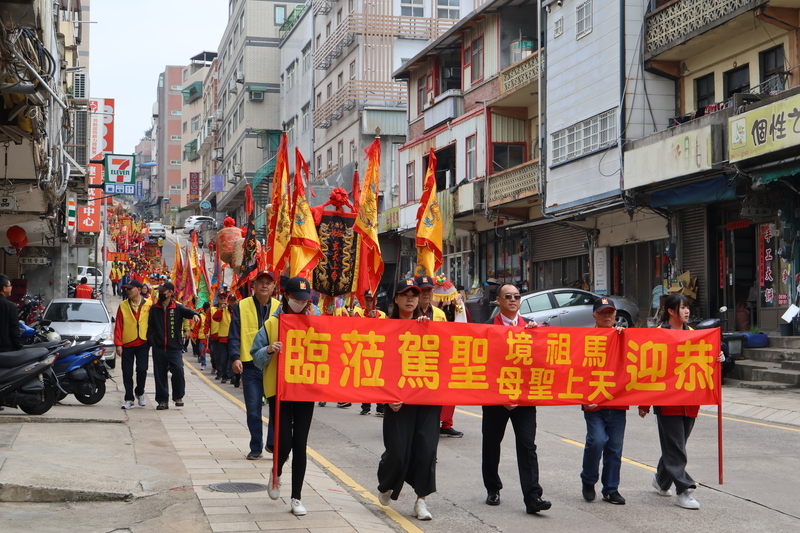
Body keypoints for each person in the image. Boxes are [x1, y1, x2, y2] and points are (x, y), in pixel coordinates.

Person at [639, 293, 726, 510]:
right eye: (683, 307)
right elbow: (648, 370)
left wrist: (719, 358)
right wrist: (644, 402)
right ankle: (684, 489)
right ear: (670, 311)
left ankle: (661, 479)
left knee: (676, 445)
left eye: (688, 307)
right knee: (676, 446)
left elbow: (706, 361)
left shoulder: (696, 335)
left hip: (691, 400)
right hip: (667, 401)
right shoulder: (658, 335)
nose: (687, 311)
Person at [482, 283, 551, 514]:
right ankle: (493, 488)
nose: (513, 299)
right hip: (495, 398)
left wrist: (537, 336)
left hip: (524, 399)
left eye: (516, 296)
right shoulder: (487, 328)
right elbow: (483, 365)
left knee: (527, 445)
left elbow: (542, 361)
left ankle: (533, 497)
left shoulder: (531, 327)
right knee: (492, 444)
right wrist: (499, 394)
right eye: (508, 296)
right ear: (499, 301)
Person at [251, 276, 317, 517]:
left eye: (306, 300)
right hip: (280, 392)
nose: (302, 303)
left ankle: (296, 497)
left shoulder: (314, 320)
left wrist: (313, 319)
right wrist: (268, 350)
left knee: (300, 444)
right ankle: (276, 471)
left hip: (305, 389)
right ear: (287, 297)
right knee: (284, 442)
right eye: (298, 300)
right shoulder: (271, 324)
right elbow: (255, 357)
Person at [376, 278, 441, 521]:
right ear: (396, 299)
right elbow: (376, 366)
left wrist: (427, 329)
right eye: (405, 294)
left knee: (426, 450)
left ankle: (421, 500)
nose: (411, 299)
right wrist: (387, 396)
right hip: (397, 400)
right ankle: (386, 484)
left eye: (415, 294)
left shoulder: (428, 325)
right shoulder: (385, 328)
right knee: (398, 453)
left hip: (427, 397)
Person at [228, 270, 281, 459]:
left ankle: (273, 443)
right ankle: (256, 446)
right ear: (254, 286)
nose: (265, 286)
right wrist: (235, 357)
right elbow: (234, 334)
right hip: (250, 366)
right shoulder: (241, 306)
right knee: (253, 409)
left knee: (277, 408)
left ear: (274, 287)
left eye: (269, 283)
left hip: (274, 365)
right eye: (261, 282)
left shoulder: (280, 307)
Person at [580, 298, 627, 505]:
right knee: (597, 441)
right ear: (594, 316)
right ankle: (588, 480)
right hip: (593, 402)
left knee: (615, 448)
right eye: (602, 313)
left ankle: (611, 489)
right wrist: (583, 397)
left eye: (610, 312)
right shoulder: (584, 339)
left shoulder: (623, 336)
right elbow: (575, 371)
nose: (607, 316)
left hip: (617, 402)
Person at [415, 275, 463, 438]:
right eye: (423, 290)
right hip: (415, 362)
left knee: (440, 396)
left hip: (436, 361)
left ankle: (440, 424)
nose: (426, 294)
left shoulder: (439, 313)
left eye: (429, 290)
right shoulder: (409, 311)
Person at [147, 281, 200, 410]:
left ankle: (178, 396)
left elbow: (191, 312)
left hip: (174, 348)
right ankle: (162, 400)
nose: (160, 293)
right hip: (159, 348)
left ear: (170, 293)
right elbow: (150, 327)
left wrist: (195, 315)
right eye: (159, 291)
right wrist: (152, 342)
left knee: (178, 370)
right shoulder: (155, 308)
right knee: (160, 375)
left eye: (163, 291)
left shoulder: (177, 308)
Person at [114, 280, 152, 409]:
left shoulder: (149, 304)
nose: (128, 291)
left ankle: (140, 392)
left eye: (130, 289)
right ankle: (129, 398)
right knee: (127, 372)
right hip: (127, 343)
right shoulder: (123, 305)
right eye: (126, 289)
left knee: (142, 369)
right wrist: (118, 344)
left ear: (139, 289)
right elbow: (118, 325)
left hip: (143, 342)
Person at [355, 289, 386, 416]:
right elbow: (356, 330)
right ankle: (366, 406)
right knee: (365, 380)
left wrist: (376, 320)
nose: (369, 302)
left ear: (376, 301)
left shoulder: (383, 315)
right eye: (367, 299)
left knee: (379, 380)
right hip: (364, 351)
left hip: (378, 352)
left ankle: (380, 407)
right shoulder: (359, 314)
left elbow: (387, 331)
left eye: (372, 299)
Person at [213, 293, 236, 383]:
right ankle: (224, 376)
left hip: (234, 338)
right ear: (228, 301)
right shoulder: (223, 310)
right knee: (224, 358)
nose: (233, 302)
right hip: (223, 338)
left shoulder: (238, 310)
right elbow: (215, 318)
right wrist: (220, 309)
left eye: (234, 300)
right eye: (231, 300)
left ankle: (232, 375)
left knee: (233, 357)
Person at [0, 274, 22, 353]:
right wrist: (19, 346)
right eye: (9, 286)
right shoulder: (10, 306)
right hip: (4, 349)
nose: (11, 288)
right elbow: (14, 329)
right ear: (4, 288)